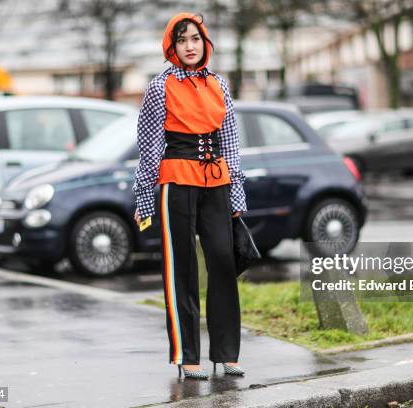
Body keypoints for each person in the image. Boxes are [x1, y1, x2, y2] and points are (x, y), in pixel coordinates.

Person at [132, 12, 247, 380]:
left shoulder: (219, 84)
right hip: (176, 181)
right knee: (181, 269)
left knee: (223, 263)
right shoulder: (159, 85)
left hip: (217, 182)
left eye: (195, 39)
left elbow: (230, 140)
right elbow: (149, 145)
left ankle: (227, 353)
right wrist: (144, 197)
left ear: (205, 42)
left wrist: (237, 194)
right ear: (172, 47)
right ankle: (187, 355)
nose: (190, 46)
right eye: (182, 40)